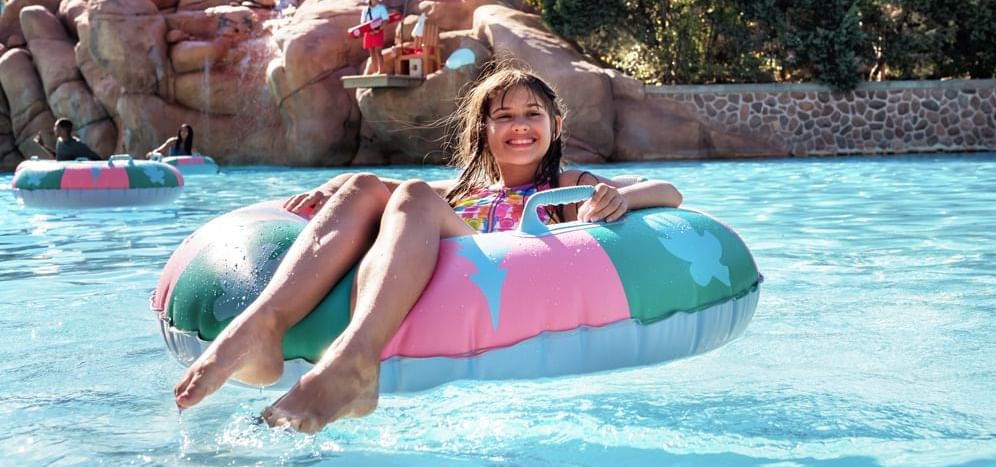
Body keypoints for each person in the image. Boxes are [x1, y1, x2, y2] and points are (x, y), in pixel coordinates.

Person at [172, 64, 682, 433]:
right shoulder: (462, 194)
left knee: (410, 192)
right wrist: (337, 192)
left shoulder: (565, 186)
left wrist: (618, 197)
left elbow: (669, 193)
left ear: (556, 125)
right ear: (484, 131)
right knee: (366, 185)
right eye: (503, 116)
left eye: (534, 113)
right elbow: (376, 197)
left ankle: (354, 359)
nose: (520, 125)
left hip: (504, 280)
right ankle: (263, 324)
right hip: (452, 238)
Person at [33, 118, 102, 161]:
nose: (54, 129)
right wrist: (43, 145)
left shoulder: (77, 145)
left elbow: (97, 160)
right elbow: (57, 157)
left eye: (56, 127)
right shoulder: (60, 142)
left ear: (63, 130)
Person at [359, 0, 389, 74]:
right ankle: (375, 70)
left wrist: (378, 30)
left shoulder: (381, 8)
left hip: (378, 32)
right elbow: (362, 22)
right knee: (371, 52)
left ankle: (381, 70)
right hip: (368, 32)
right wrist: (368, 31)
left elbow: (385, 21)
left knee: (378, 51)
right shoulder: (365, 9)